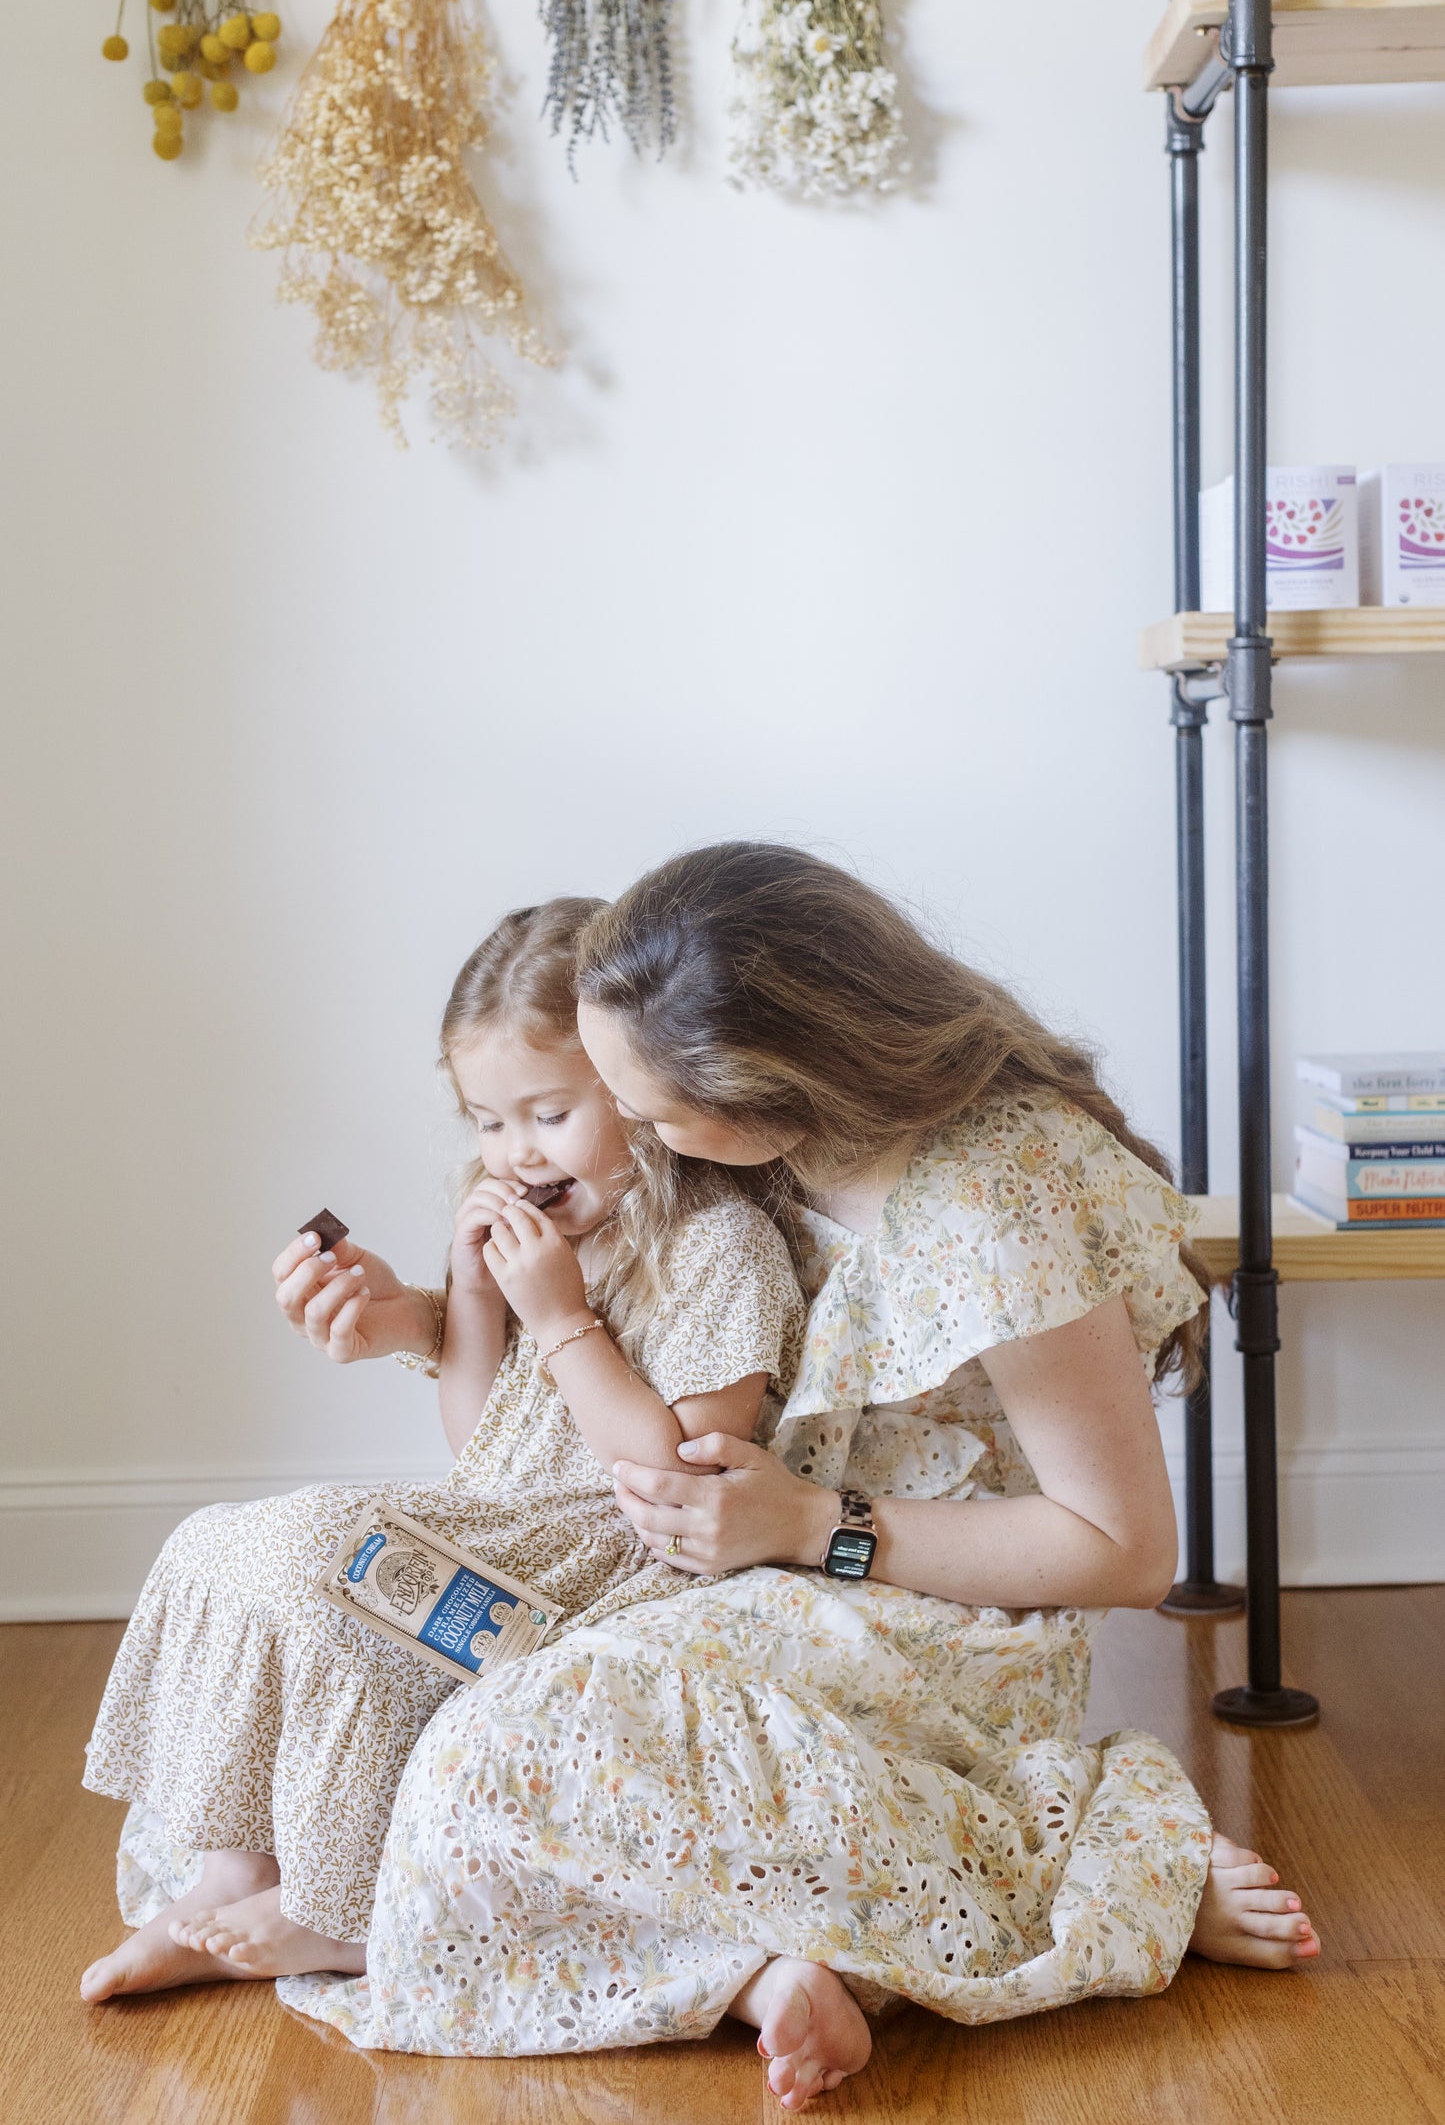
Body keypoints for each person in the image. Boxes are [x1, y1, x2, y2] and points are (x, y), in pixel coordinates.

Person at [281, 844, 1316, 2113]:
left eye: (648, 1113)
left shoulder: (996, 1205)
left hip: (923, 1607)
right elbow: (644, 1342)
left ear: (764, 1084)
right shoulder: (768, 1143)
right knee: (431, 1704)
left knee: (495, 1755)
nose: (634, 1141)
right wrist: (430, 1319)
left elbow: (1119, 1550)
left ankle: (1078, 1858)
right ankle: (757, 1967)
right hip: (746, 1555)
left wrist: (811, 1522)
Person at [79, 897, 802, 2004]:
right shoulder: (536, 1237)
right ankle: (231, 1874)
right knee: (220, 1538)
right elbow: (483, 1445)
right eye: (487, 1120)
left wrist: (560, 1319)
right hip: (503, 1529)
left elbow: (682, 1478)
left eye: (550, 1112)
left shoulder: (718, 1246)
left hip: (605, 1568)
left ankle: (345, 1906)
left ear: (641, 1088)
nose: (515, 1152)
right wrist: (467, 1295)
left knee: (329, 1555)